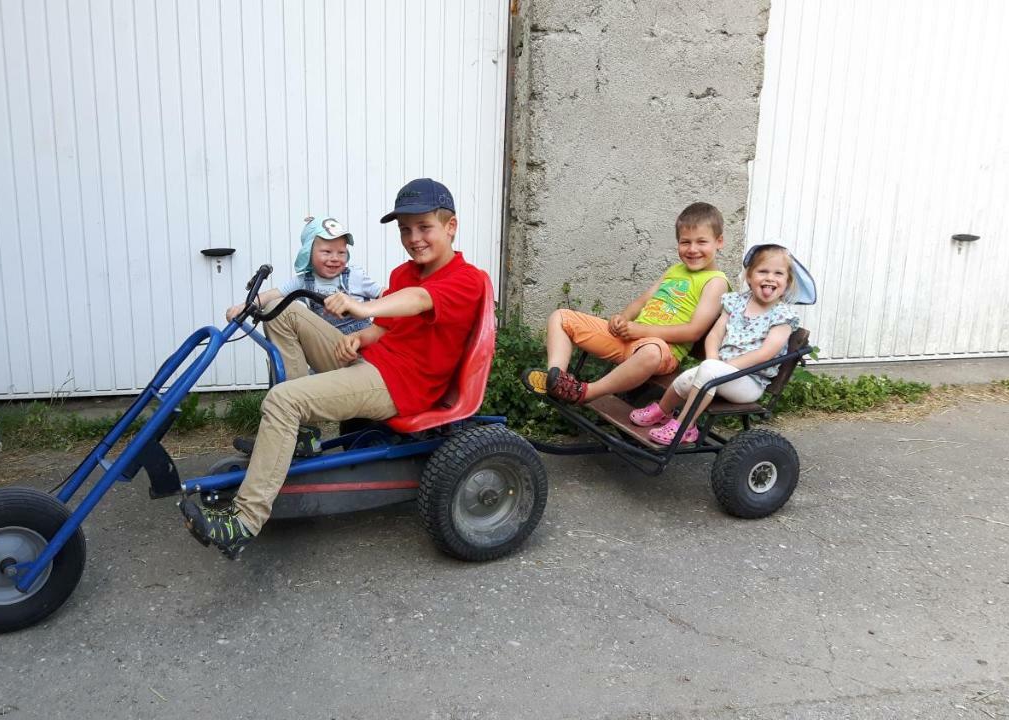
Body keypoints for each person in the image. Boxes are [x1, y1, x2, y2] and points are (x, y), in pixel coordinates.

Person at [180, 178, 486, 558]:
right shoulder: (404, 273)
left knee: (283, 400)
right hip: (371, 362)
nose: (413, 238)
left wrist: (365, 307)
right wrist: (361, 338)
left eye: (424, 227)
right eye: (405, 230)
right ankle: (302, 436)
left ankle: (243, 521)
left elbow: (419, 301)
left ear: (450, 226)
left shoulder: (468, 279)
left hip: (399, 387)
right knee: (285, 310)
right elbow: (387, 327)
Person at [522, 202, 731, 404]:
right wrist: (623, 318)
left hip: (661, 352)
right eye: (685, 242)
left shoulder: (716, 281)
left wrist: (639, 331)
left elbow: (693, 332)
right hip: (629, 339)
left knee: (651, 351)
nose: (692, 249)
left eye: (701, 242)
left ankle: (587, 392)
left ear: (719, 241)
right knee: (561, 317)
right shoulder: (675, 271)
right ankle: (557, 379)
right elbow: (642, 301)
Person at [630, 243, 810, 445]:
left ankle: (685, 427)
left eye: (778, 273)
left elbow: (766, 353)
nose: (770, 277)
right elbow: (715, 335)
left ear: (787, 282)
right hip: (720, 371)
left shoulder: (782, 316)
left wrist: (725, 368)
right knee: (684, 380)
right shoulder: (736, 302)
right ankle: (663, 411)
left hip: (749, 381)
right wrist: (713, 360)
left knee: (706, 371)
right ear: (749, 276)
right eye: (763, 271)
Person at [225, 215, 382, 335]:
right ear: (308, 253)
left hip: (363, 344)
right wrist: (243, 307)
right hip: (326, 345)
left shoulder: (355, 276)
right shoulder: (303, 281)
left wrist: (369, 312)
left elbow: (385, 294)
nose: (335, 258)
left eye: (341, 252)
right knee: (276, 308)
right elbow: (272, 295)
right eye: (327, 252)